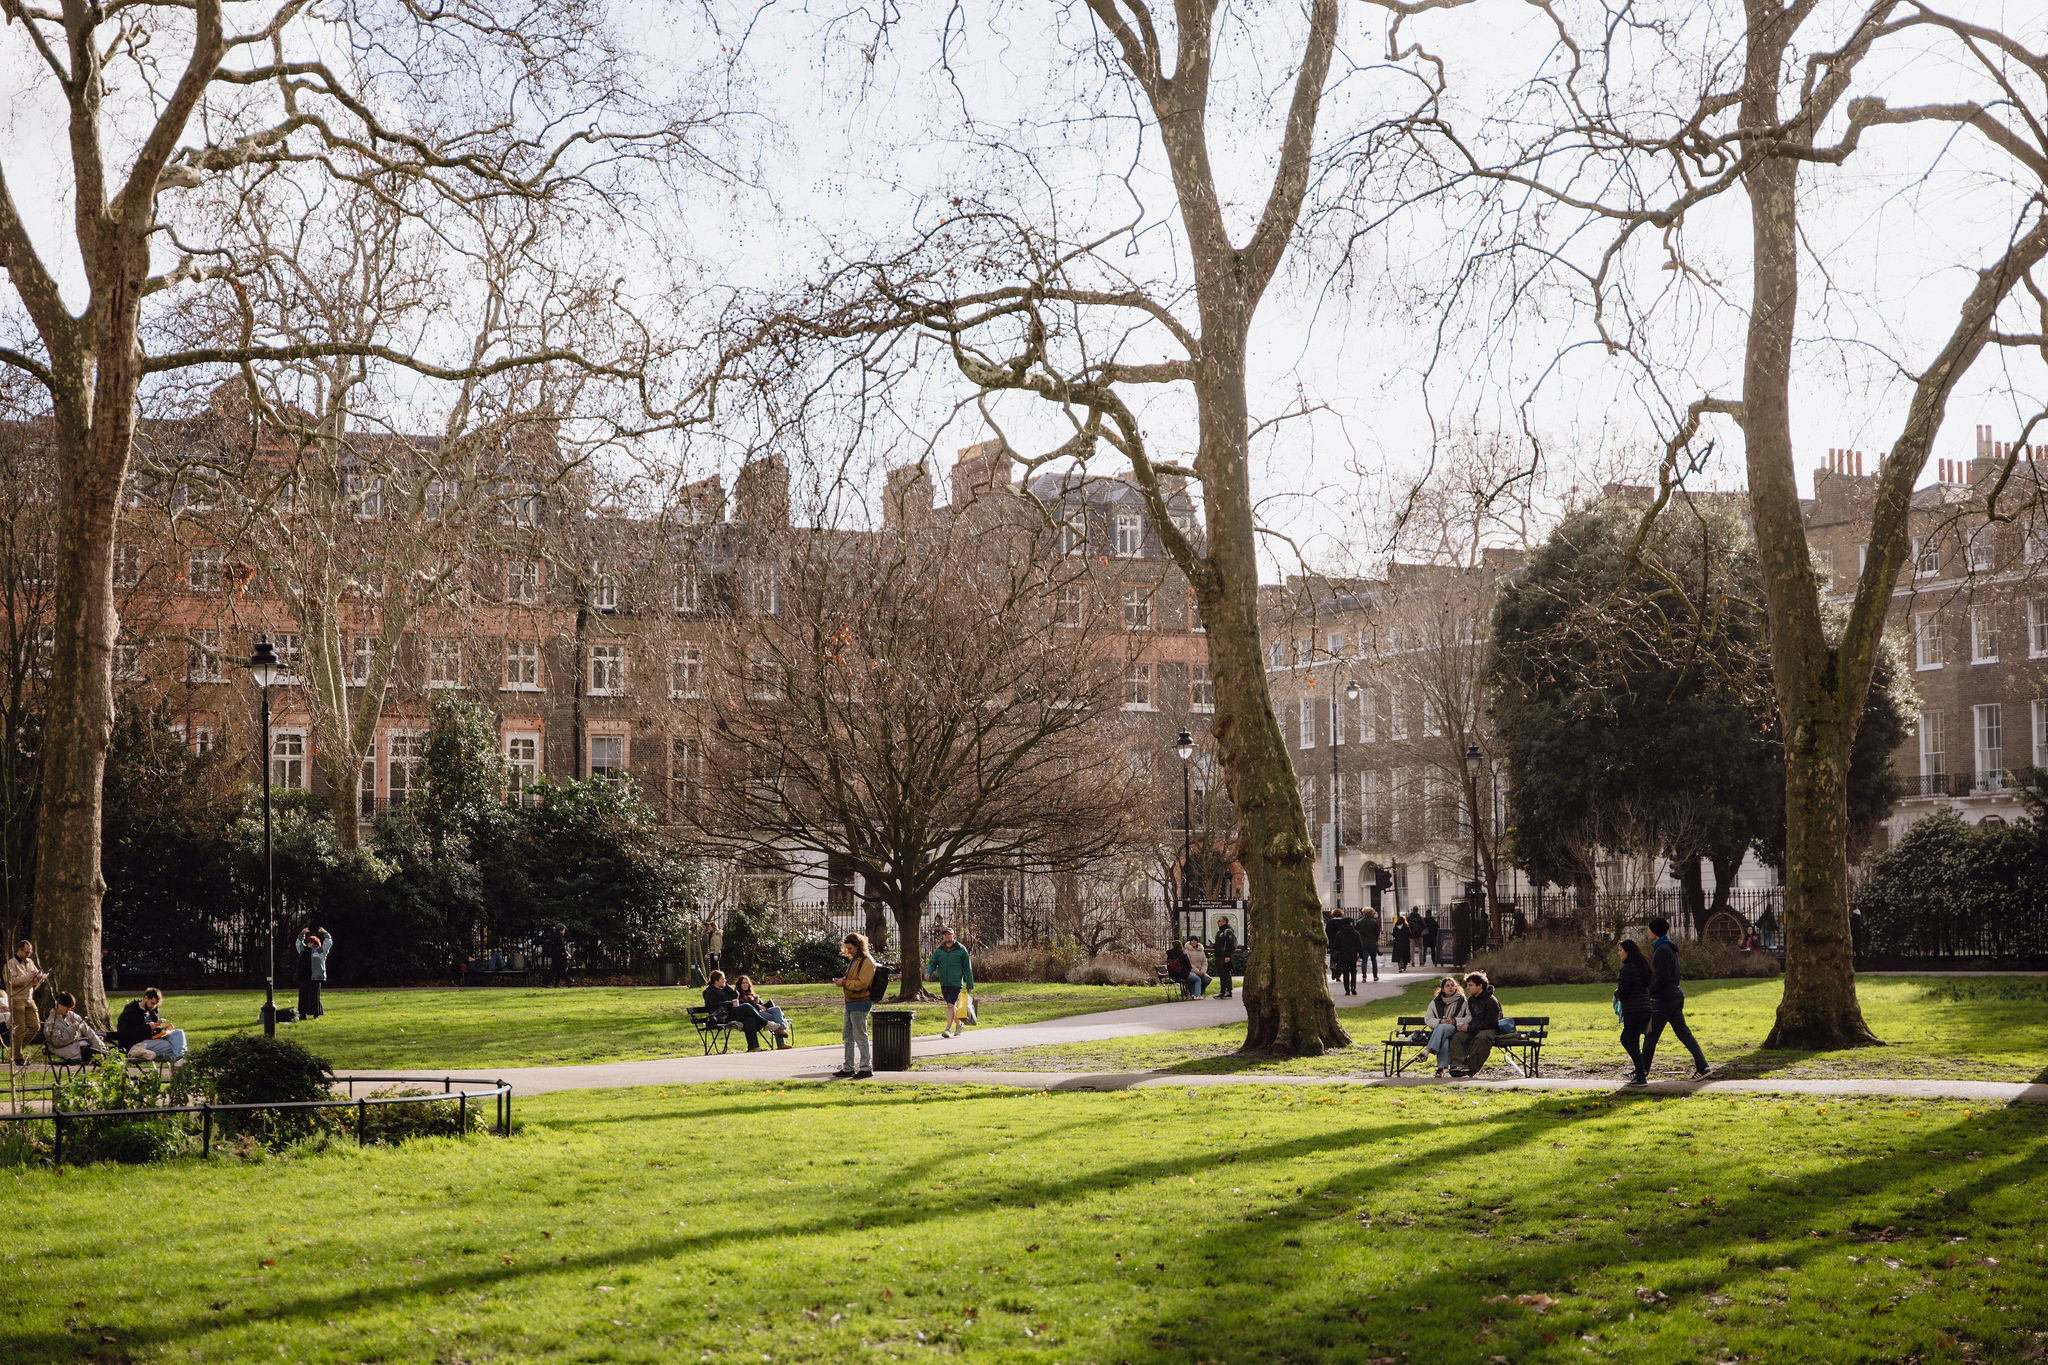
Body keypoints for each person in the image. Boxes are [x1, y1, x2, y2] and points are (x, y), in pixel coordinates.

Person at [1643, 916, 1711, 1080]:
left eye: (1649, 929)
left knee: (1650, 1035)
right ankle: (1703, 1066)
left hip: (1664, 999)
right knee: (1683, 1033)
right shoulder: (1668, 948)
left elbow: (1663, 977)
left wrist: (1650, 991)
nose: (1647, 932)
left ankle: (1641, 1071)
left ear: (1655, 932)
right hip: (1674, 997)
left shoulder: (1662, 950)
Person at [702, 970, 789, 1051]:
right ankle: (765, 1023)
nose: (725, 980)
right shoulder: (709, 991)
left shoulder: (723, 989)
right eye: (723, 979)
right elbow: (711, 1006)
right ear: (716, 981)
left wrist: (726, 986)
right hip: (723, 1016)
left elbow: (734, 995)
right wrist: (730, 1003)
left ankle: (753, 1047)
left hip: (731, 1013)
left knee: (749, 1019)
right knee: (746, 1006)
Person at [833, 932, 876, 1078]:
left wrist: (844, 983)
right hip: (851, 1001)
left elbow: (862, 983)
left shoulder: (867, 961)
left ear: (858, 946)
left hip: (860, 1001)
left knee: (860, 1036)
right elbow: (853, 979)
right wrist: (843, 980)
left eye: (850, 948)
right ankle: (848, 1067)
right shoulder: (855, 960)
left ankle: (865, 1067)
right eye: (847, 948)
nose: (848, 951)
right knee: (848, 1036)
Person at [1615, 938, 1654, 1085]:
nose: (1619, 953)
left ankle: (1640, 1075)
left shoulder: (1627, 968)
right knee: (1627, 1040)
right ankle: (1640, 1069)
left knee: (1631, 1041)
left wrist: (1617, 994)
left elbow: (1624, 990)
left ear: (1627, 952)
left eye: (1621, 950)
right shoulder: (1642, 966)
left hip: (1633, 1010)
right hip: (1645, 1008)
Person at [925, 927, 975, 1038]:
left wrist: (970, 984)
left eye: (949, 934)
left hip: (956, 982)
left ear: (953, 936)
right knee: (951, 1006)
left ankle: (947, 1029)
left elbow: (967, 968)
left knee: (950, 1005)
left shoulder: (961, 949)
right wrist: (928, 972)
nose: (947, 936)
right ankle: (959, 1025)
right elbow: (932, 963)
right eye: (945, 934)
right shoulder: (939, 950)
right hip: (944, 982)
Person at [1449, 971, 1502, 1077]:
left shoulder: (1491, 1001)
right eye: (1467, 985)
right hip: (1473, 1029)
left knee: (1482, 1038)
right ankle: (1457, 1066)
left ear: (1480, 986)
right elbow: (1470, 1017)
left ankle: (1470, 1068)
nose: (1468, 988)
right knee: (1458, 1036)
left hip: (1490, 1029)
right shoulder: (1471, 1000)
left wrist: (1469, 1028)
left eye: (1471, 985)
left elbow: (1490, 1023)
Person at [116, 987, 188, 1061]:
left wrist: (162, 1030)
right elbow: (124, 1033)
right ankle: (180, 1064)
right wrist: (148, 1027)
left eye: (155, 1004)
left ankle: (179, 1062)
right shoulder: (131, 1011)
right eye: (152, 1003)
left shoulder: (152, 1011)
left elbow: (153, 1031)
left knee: (179, 1033)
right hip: (137, 1043)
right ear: (146, 998)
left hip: (152, 1039)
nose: (153, 1006)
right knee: (175, 1046)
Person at [6, 940, 47, 1066]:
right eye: (27, 952)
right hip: (16, 998)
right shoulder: (10, 964)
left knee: (36, 1026)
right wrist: (28, 977)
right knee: (20, 1028)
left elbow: (33, 982)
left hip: (29, 997)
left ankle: (16, 1051)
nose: (29, 955)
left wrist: (38, 978)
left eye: (30, 952)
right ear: (19, 950)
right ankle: (17, 1056)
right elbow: (11, 982)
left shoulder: (30, 962)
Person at [1422, 974, 1467, 1077]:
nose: (1451, 987)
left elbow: (1468, 1017)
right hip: (1440, 1032)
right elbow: (1428, 1019)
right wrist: (1440, 1021)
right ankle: (1440, 1069)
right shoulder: (1435, 1002)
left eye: (1453, 985)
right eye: (1448, 985)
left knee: (1443, 1028)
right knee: (1445, 1039)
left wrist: (1454, 1021)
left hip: (1457, 1030)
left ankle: (1427, 1051)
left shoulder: (1463, 1001)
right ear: (1442, 989)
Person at [42, 993, 107, 1063]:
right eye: (66, 1006)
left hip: (84, 1046)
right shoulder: (51, 1022)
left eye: (70, 1007)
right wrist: (73, 1028)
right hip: (73, 1051)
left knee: (107, 1054)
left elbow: (88, 1032)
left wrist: (100, 1046)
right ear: (57, 1004)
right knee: (102, 1057)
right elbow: (57, 1042)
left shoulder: (72, 1016)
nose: (69, 1009)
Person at [734, 976, 793, 1049]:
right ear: (739, 984)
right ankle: (781, 1043)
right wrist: (757, 1006)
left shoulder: (751, 993)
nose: (745, 985)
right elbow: (744, 1007)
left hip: (761, 1011)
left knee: (777, 1009)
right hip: (754, 1014)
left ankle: (782, 1029)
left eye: (747, 983)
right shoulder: (738, 994)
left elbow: (760, 1003)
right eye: (743, 983)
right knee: (775, 1018)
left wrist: (759, 1002)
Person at [295, 927, 333, 1019]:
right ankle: (302, 1015)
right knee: (303, 997)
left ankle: (316, 1014)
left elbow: (328, 942)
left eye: (313, 942)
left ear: (316, 943)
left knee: (314, 997)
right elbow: (298, 943)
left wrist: (325, 932)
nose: (310, 944)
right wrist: (302, 934)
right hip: (304, 977)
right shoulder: (303, 950)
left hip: (315, 977)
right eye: (309, 942)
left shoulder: (320, 951)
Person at [1329, 915, 1362, 996]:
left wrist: (1337, 951)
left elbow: (1336, 946)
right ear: (1350, 923)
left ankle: (1347, 989)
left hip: (1343, 955)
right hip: (1353, 955)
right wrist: (1360, 954)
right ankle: (1353, 986)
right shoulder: (1355, 933)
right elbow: (1359, 945)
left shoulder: (1339, 933)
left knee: (1345, 973)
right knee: (1353, 971)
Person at [1211, 917, 1238, 999]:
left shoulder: (1228, 931)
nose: (1218, 922)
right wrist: (1214, 946)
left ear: (1224, 922)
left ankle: (1228, 991)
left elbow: (1231, 944)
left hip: (1224, 956)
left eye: (1219, 921)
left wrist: (1228, 955)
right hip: (1218, 955)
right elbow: (1220, 944)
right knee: (1221, 974)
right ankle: (1222, 991)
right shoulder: (1220, 932)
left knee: (1226, 973)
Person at [1359, 911, 1381, 982]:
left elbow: (1356, 930)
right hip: (1372, 943)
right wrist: (1376, 939)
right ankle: (1375, 976)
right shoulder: (1373, 922)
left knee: (1364, 960)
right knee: (1373, 960)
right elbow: (1377, 933)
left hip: (1363, 943)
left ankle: (1364, 976)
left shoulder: (1360, 922)